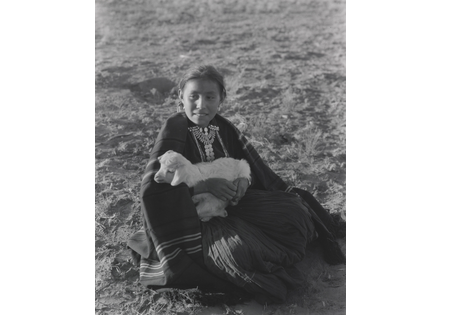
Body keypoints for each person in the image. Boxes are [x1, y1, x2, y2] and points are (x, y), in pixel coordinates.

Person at [127, 65, 345, 304]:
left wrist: (243, 181)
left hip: (234, 203)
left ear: (222, 99)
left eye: (210, 97)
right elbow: (153, 188)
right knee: (237, 252)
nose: (201, 105)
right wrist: (205, 185)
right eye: (194, 97)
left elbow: (250, 168)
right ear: (181, 97)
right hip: (196, 216)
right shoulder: (174, 129)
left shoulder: (223, 127)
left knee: (295, 213)